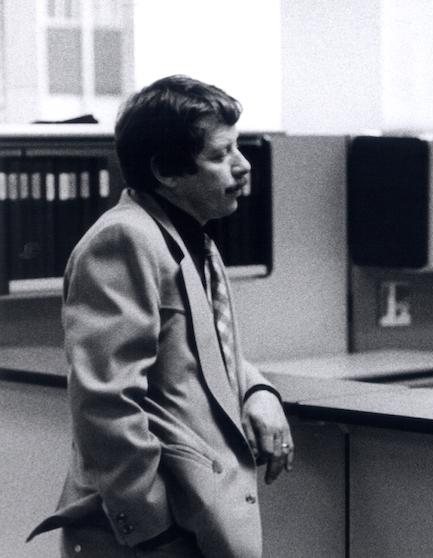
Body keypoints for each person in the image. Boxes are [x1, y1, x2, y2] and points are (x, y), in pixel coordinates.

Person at [27, 75, 294, 558]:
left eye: (238, 147)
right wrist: (153, 530)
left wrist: (256, 389)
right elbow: (106, 406)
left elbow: (198, 348)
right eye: (220, 155)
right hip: (150, 538)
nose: (243, 165)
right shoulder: (124, 241)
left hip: (195, 521)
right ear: (166, 171)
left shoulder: (187, 235)